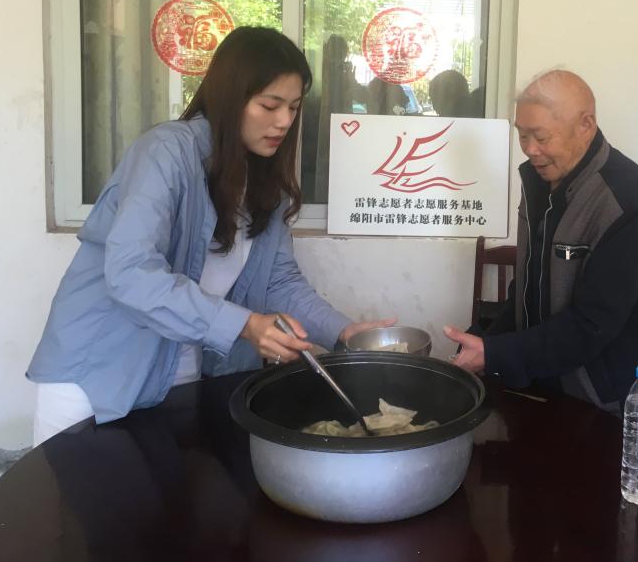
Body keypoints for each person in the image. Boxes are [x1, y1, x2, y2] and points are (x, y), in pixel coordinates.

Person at [27, 26, 393, 444]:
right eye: (269, 105)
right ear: (229, 98)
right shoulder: (166, 153)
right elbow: (131, 274)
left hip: (180, 369)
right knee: (80, 487)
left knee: (167, 485)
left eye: (293, 107)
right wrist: (244, 324)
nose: (284, 121)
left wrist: (346, 334)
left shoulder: (265, 181)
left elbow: (278, 282)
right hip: (98, 372)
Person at [443, 69, 638, 412]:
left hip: (614, 400)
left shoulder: (625, 199)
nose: (530, 150)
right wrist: (484, 340)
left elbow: (592, 323)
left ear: (586, 125)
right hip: (548, 383)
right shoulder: (542, 182)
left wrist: (496, 354)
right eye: (522, 135)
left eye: (541, 136)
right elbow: (528, 285)